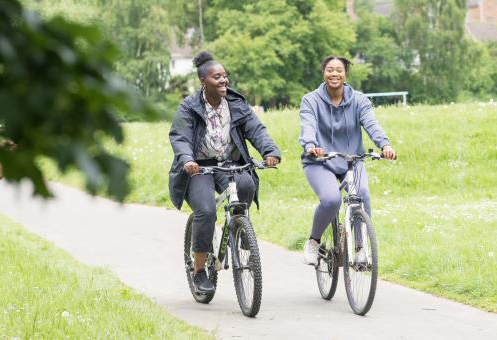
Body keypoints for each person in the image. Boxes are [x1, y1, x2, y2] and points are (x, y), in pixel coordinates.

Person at [169, 51, 281, 293]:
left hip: (228, 162)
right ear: (203, 82)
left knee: (247, 185)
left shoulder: (236, 104)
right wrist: (187, 159)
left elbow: (256, 130)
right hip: (199, 167)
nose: (223, 80)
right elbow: (180, 137)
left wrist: (270, 152)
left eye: (225, 76)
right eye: (216, 77)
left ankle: (240, 229)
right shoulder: (189, 106)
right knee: (207, 210)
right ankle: (199, 270)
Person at [299, 56, 396, 265]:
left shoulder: (359, 99)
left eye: (339, 70)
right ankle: (314, 241)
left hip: (352, 159)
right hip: (320, 160)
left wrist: (385, 145)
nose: (334, 74)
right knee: (331, 200)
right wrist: (310, 146)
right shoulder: (311, 100)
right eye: (330, 70)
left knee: (361, 194)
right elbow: (307, 125)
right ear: (323, 73)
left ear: (345, 74)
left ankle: (361, 249)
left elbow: (371, 123)